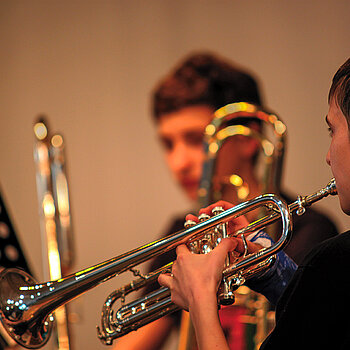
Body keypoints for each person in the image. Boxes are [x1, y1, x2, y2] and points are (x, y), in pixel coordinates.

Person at [114, 52, 338, 350]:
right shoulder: (183, 231)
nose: (178, 161)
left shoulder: (309, 229)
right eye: (168, 144)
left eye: (195, 139)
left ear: (246, 137)